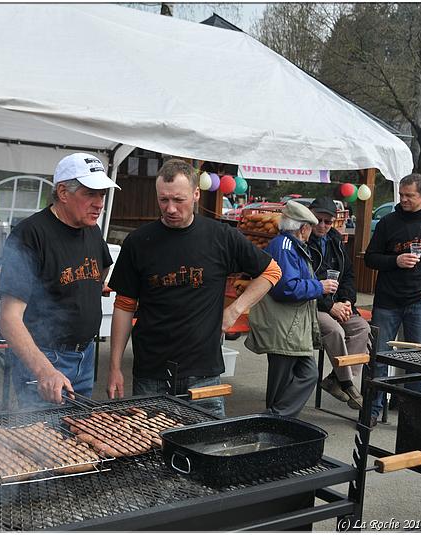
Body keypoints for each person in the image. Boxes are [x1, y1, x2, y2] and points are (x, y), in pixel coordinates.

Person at [107, 159, 280, 416]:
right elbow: (124, 306)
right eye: (163, 200)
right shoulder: (139, 242)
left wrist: (234, 311)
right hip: (150, 371)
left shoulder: (220, 236)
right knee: (151, 449)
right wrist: (114, 367)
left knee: (205, 447)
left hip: (203, 373)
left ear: (196, 194)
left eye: (179, 200)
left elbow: (271, 271)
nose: (171, 208)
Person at [0, 153, 119, 406]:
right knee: (46, 441)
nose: (99, 204)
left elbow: (102, 269)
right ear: (63, 192)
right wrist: (45, 371)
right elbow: (9, 319)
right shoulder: (30, 235)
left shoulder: (92, 230)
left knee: (77, 437)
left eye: (102, 195)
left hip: (86, 355)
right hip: (47, 358)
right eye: (90, 193)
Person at [364, 173, 421, 427]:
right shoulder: (388, 222)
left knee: (418, 361)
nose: (403, 199)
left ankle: (412, 412)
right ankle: (372, 409)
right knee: (379, 357)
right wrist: (395, 260)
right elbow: (370, 258)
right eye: (401, 195)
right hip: (387, 300)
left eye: (409, 196)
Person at [245, 201, 339, 418]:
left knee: (307, 374)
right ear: (302, 228)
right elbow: (285, 288)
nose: (310, 232)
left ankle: (278, 419)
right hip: (284, 326)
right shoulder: (285, 246)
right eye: (309, 227)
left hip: (292, 327)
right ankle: (274, 420)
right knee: (284, 382)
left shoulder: (289, 245)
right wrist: (320, 286)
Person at [305, 197, 370, 410]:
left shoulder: (335, 240)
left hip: (336, 303)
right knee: (335, 331)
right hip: (311, 304)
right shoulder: (302, 239)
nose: (322, 226)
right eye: (318, 220)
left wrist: (347, 301)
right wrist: (329, 306)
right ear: (309, 215)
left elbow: (348, 274)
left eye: (327, 221)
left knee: (361, 327)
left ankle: (336, 378)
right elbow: (305, 280)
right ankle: (347, 383)